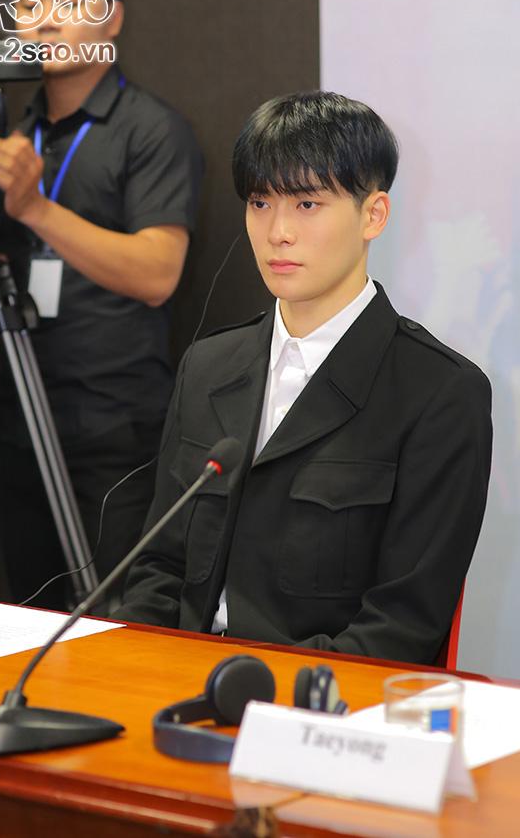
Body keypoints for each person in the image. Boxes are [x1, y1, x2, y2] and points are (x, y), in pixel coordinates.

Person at [116, 90, 493, 664]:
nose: (278, 232)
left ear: (374, 215)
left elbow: (403, 624)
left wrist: (262, 694)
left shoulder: (440, 391)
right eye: (260, 203)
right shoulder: (207, 366)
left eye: (307, 204)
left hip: (317, 697)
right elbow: (159, 568)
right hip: (176, 678)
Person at [0, 0, 203, 609]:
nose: (45, 17)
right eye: (28, 1)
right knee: (29, 617)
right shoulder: (3, 134)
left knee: (114, 623)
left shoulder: (150, 130)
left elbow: (158, 272)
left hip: (112, 430)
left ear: (112, 18)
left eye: (69, 0)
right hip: (17, 415)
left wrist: (35, 209)